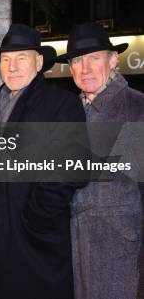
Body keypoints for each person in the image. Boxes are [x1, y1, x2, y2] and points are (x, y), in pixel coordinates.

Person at [0, 23, 87, 299]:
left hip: (37, 243)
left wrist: (35, 219)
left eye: (22, 57)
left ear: (39, 62)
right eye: (6, 59)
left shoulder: (62, 104)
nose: (12, 66)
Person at [56, 21, 143, 299]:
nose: (85, 69)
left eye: (94, 58)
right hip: (75, 247)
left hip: (122, 254)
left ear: (113, 59)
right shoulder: (71, 112)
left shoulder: (137, 107)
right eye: (78, 61)